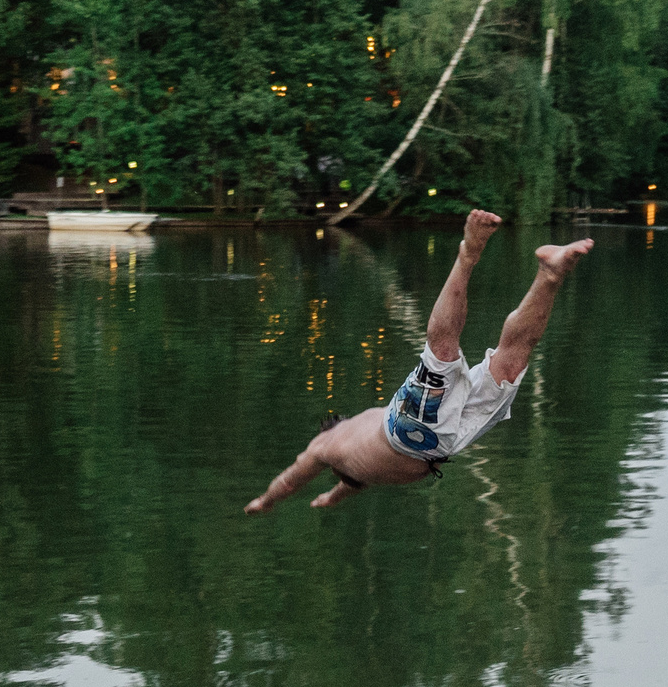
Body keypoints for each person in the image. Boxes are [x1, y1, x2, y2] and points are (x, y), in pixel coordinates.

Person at [245, 212, 592, 513]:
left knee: (442, 353)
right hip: (447, 439)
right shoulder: (352, 458)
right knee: (510, 364)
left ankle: (468, 253)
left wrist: (267, 500)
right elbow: (349, 483)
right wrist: (331, 498)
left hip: (414, 438)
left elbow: (290, 480)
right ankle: (551, 273)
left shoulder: (322, 448)